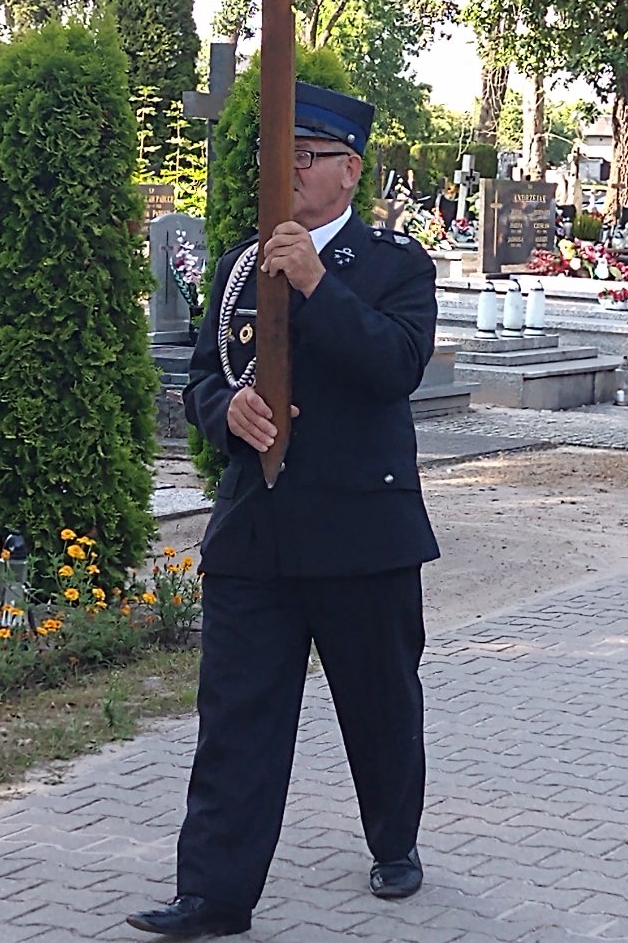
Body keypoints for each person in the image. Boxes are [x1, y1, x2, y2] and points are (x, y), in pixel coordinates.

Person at [128, 83, 440, 938]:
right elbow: (203, 377)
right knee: (236, 717)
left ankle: (393, 840)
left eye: (306, 156)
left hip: (361, 533)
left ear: (350, 171)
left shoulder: (394, 265)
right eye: (281, 154)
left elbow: (395, 366)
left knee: (379, 705)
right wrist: (224, 411)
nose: (288, 170)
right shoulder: (239, 264)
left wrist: (314, 282)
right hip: (256, 529)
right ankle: (214, 892)